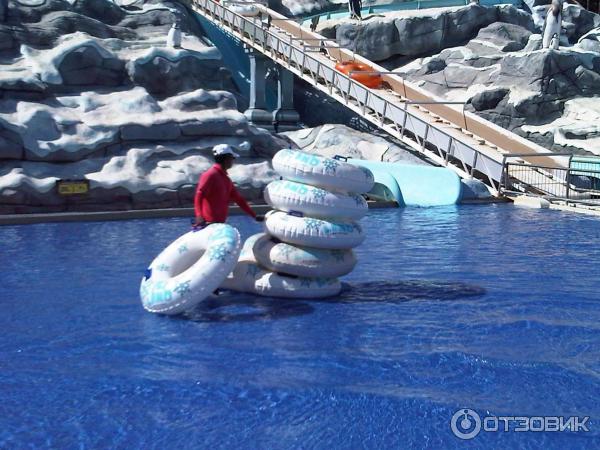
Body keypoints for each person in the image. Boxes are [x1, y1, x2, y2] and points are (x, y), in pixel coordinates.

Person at [193, 144, 264, 228]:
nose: (233, 160)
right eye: (232, 158)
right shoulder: (210, 175)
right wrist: (199, 216)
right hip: (207, 225)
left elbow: (239, 200)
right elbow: (199, 194)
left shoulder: (226, 179)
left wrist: (254, 216)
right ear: (226, 158)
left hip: (219, 225)